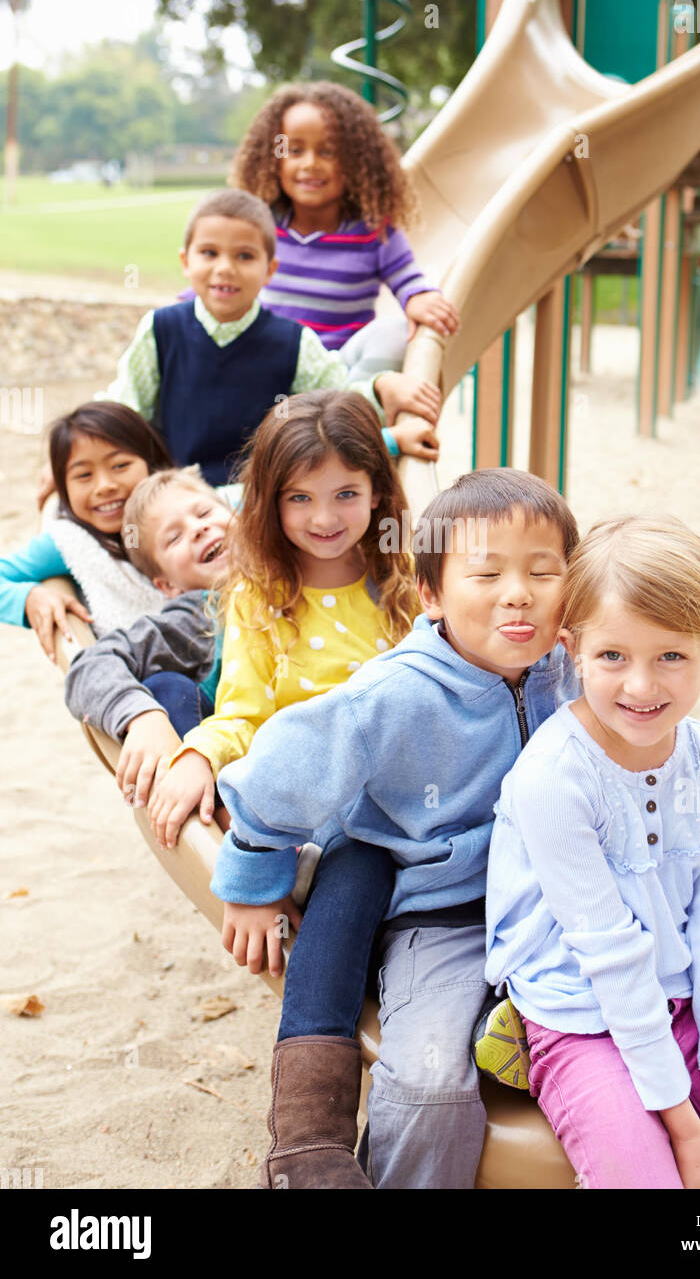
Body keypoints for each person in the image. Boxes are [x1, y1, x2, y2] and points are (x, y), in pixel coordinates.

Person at [211, 469, 700, 1190]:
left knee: (692, 888)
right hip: (450, 908)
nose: (517, 592)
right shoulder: (392, 696)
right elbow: (278, 775)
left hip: (580, 897)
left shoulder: (583, 665)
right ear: (429, 595)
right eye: (485, 572)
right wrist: (251, 877)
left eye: (543, 571)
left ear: (572, 596)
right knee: (429, 1077)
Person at [484, 515, 700, 1189]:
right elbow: (607, 954)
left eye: (671, 656)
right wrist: (686, 1128)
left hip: (687, 1004)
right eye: (613, 657)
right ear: (572, 649)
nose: (641, 686)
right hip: (578, 1019)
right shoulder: (554, 776)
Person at [147, 389, 420, 1188]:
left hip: (413, 801)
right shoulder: (264, 596)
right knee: (349, 888)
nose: (325, 516)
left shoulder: (405, 579)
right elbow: (243, 713)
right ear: (269, 501)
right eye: (300, 497)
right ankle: (308, 1139)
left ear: (378, 491)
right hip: (319, 815)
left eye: (345, 494)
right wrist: (198, 753)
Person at [36, 190, 441, 509]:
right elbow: (124, 409)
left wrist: (382, 394)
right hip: (172, 500)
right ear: (185, 261)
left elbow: (339, 405)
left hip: (257, 500)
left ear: (269, 269)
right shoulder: (161, 328)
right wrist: (71, 460)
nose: (225, 268)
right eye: (209, 253)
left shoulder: (294, 342)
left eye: (244, 256)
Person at [230, 81, 460, 380]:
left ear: (355, 162)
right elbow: (224, 268)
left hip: (340, 372)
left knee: (396, 333)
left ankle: (350, 412)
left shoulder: (374, 233)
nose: (310, 164)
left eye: (327, 152)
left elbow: (407, 278)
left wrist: (417, 296)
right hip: (275, 364)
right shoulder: (261, 225)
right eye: (295, 150)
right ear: (273, 158)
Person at [64, 466, 236, 813]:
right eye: (174, 538)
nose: (198, 528)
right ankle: (225, 821)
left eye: (204, 512)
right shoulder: (195, 615)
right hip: (240, 767)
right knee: (165, 687)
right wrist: (143, 717)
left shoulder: (306, 568)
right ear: (168, 586)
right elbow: (89, 666)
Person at [2, 401, 172, 658]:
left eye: (120, 466)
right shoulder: (70, 543)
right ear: (63, 487)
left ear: (151, 463)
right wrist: (29, 597)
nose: (104, 486)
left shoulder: (185, 513)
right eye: (83, 475)